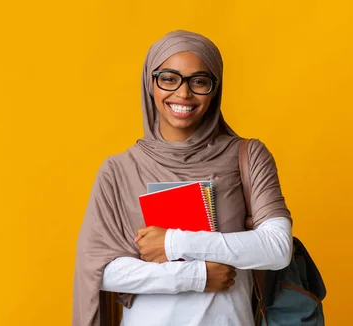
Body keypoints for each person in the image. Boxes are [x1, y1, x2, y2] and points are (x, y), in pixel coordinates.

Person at [72, 30, 293, 326]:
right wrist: (196, 276)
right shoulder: (119, 169)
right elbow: (102, 270)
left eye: (199, 81)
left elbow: (277, 248)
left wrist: (174, 242)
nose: (183, 93)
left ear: (215, 88)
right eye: (169, 78)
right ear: (151, 84)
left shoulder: (247, 155)